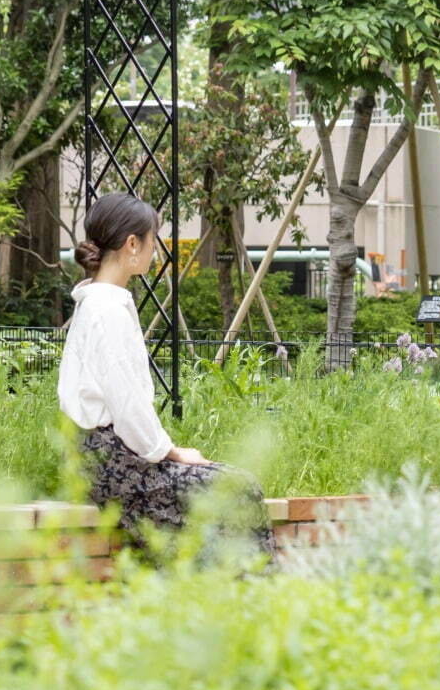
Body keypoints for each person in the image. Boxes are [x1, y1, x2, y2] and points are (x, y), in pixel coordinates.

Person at [57, 192, 277, 561]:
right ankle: (251, 595)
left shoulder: (97, 302)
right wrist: (170, 452)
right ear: (132, 244)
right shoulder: (107, 310)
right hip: (113, 466)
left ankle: (220, 595)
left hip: (97, 460)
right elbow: (127, 407)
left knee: (215, 507)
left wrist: (165, 453)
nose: (154, 251)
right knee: (239, 488)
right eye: (152, 241)